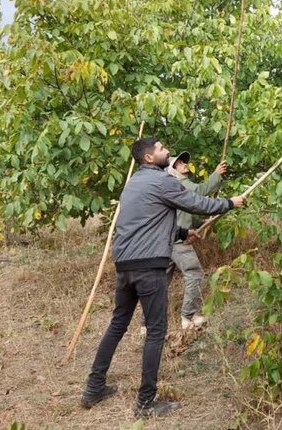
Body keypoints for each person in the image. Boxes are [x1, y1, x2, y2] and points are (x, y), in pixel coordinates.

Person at [80, 137, 245, 418]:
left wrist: (182, 234)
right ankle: (146, 403)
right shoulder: (163, 181)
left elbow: (146, 222)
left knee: (118, 324)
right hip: (149, 268)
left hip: (126, 266)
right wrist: (231, 202)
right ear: (148, 158)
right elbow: (197, 203)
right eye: (161, 149)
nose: (166, 151)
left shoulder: (132, 184)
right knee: (156, 332)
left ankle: (94, 388)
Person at [167, 151, 227, 329]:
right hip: (177, 241)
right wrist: (216, 175)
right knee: (195, 274)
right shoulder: (178, 183)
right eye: (178, 163)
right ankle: (188, 317)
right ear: (172, 170)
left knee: (160, 281)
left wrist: (204, 223)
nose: (184, 164)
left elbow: (185, 214)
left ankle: (146, 323)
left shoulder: (172, 188)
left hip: (166, 239)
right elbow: (200, 193)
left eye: (183, 161)